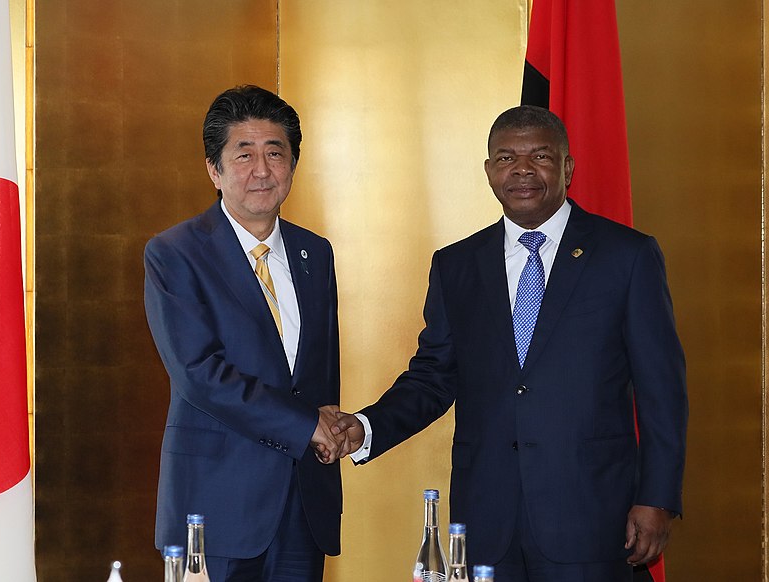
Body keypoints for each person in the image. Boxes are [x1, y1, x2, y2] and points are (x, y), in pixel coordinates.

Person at [331, 105, 688, 582]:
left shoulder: (627, 256)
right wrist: (366, 426)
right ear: (488, 171)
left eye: (540, 156)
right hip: (486, 522)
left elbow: (662, 389)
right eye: (506, 158)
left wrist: (658, 496)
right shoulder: (456, 265)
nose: (522, 170)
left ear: (567, 167)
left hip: (593, 517)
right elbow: (434, 376)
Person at [144, 85, 347, 582]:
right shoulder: (176, 253)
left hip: (303, 505)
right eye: (244, 154)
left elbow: (317, 374)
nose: (262, 170)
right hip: (213, 507)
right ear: (214, 169)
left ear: (293, 166)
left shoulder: (314, 253)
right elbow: (200, 373)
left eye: (275, 153)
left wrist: (329, 431)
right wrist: (306, 425)